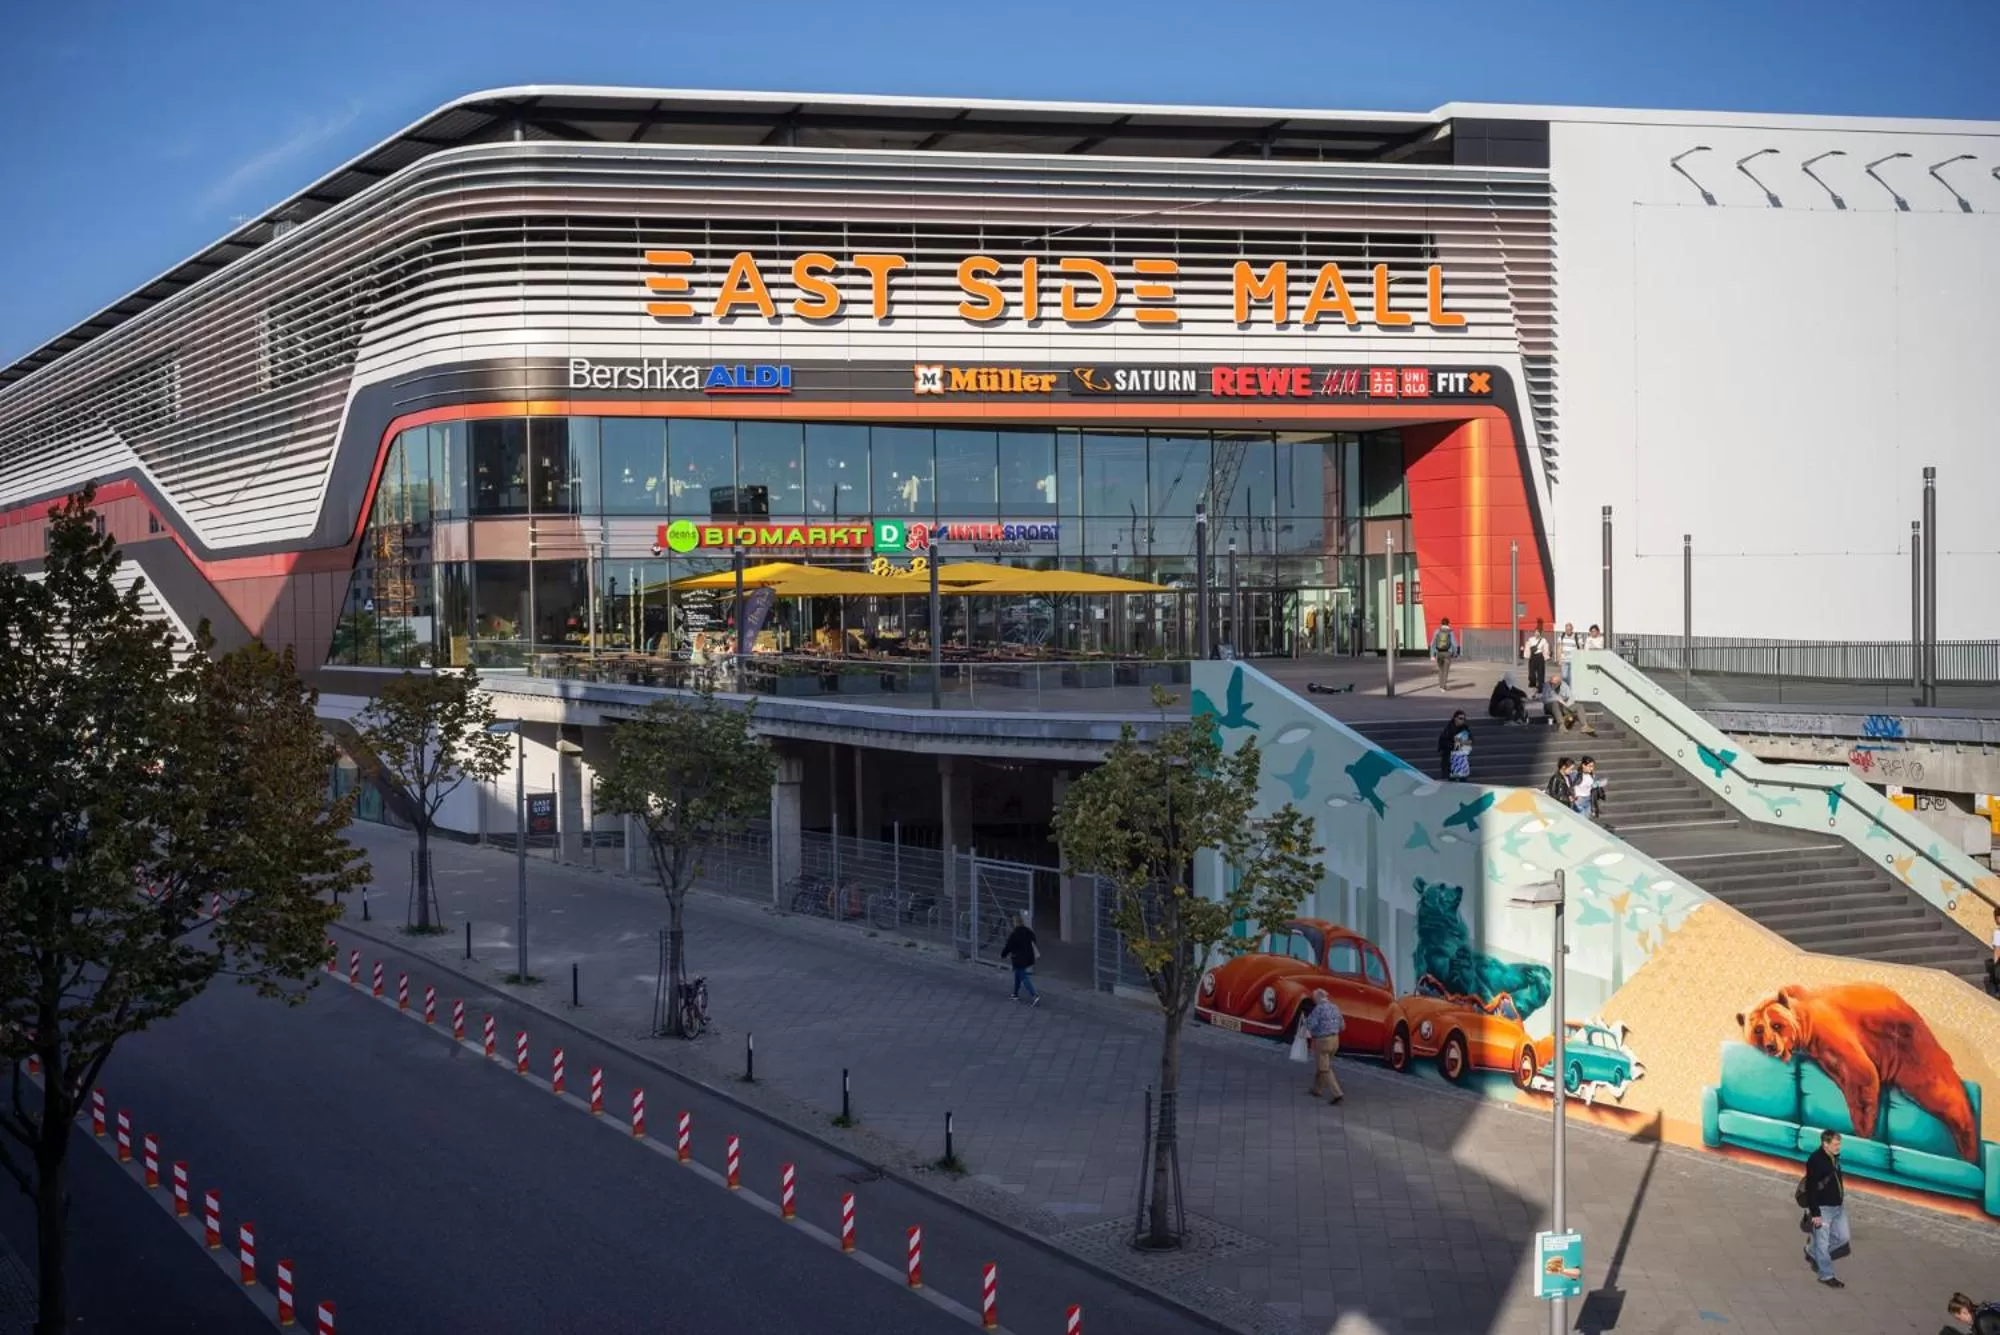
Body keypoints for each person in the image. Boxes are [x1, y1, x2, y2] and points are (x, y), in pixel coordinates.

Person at [1803, 1129, 1850, 1288]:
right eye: (1836, 1144)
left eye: (1839, 1144)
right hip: (1823, 1208)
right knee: (1822, 1244)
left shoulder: (1833, 1156)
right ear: (1825, 1144)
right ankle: (1826, 1275)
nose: (1839, 1147)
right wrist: (1815, 1213)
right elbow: (1811, 1188)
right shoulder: (1815, 1161)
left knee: (1843, 1237)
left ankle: (1812, 1250)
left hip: (1837, 1206)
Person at [1301, 988, 1345, 1105]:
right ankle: (1317, 1089)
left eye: (1314, 998)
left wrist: (1305, 1024)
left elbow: (1311, 1024)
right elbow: (1342, 1026)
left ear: (1318, 998)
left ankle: (1337, 1094)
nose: (1314, 1001)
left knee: (1325, 1068)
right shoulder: (1335, 1007)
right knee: (1323, 1064)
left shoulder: (1318, 1009)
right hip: (1335, 1040)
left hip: (1323, 1041)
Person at [1001, 911, 1040, 1006]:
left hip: (1018, 958)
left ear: (1015, 923)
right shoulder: (1028, 931)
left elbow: (1008, 946)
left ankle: (1034, 995)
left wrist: (1003, 954)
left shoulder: (1014, 934)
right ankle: (1015, 994)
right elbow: (1034, 939)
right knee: (1018, 975)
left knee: (1023, 977)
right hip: (1028, 957)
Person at [1436, 710, 1470, 779]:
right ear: (1455, 718)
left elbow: (1470, 740)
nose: (1462, 721)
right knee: (1449, 779)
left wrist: (1464, 743)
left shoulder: (1465, 729)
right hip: (1449, 759)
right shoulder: (1448, 730)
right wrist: (1455, 745)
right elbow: (1443, 744)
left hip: (1461, 759)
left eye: (1464, 719)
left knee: (1462, 779)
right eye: (1460, 718)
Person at [1430, 618, 1459, 691]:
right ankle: (1443, 686)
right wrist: (1455, 653)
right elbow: (1454, 643)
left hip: (1439, 653)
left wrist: (1432, 655)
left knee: (1441, 670)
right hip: (1447, 653)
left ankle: (1441, 686)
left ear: (1441, 623)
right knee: (1446, 670)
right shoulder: (1450, 632)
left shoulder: (1437, 631)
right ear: (1448, 623)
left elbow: (1433, 643)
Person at [1523, 620, 1551, 691]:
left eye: (1538, 632)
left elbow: (1546, 649)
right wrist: (1527, 655)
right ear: (1534, 633)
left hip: (1540, 657)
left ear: (1540, 633)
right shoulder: (1530, 639)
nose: (1537, 633)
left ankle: (1540, 687)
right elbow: (1527, 648)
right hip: (1533, 657)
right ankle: (1533, 682)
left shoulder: (1543, 640)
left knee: (1540, 673)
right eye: (1535, 632)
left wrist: (1546, 657)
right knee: (1531, 673)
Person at [1573, 755, 1602, 820]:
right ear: (1583, 765)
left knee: (1586, 821)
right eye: (1590, 766)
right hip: (1579, 800)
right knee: (1581, 821)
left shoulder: (1592, 775)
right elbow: (1569, 785)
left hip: (1588, 801)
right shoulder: (1575, 774)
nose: (1592, 768)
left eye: (1593, 766)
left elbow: (1592, 788)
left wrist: (1597, 785)